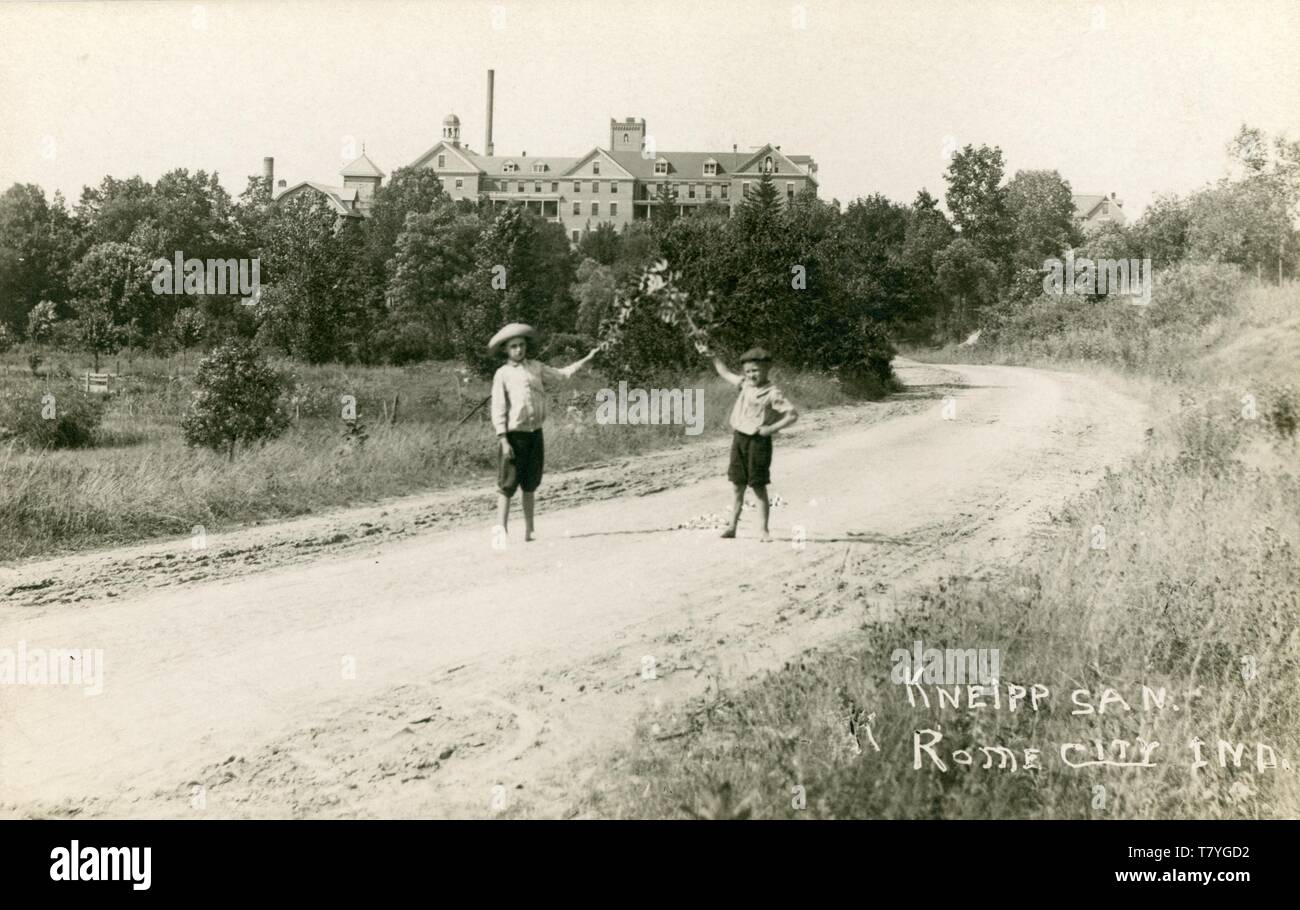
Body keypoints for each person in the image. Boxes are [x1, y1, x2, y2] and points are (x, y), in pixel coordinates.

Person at [489, 323, 598, 541]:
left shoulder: (536, 368)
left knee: (530, 483)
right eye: (513, 347)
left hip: (534, 433)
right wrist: (503, 440)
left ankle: (530, 530)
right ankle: (502, 530)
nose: (519, 350)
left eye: (521, 345)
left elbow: (561, 375)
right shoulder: (503, 374)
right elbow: (498, 408)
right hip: (514, 436)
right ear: (505, 350)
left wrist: (587, 359)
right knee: (507, 485)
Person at [712, 347, 799, 541]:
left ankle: (763, 531)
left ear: (767, 369)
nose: (751, 374)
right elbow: (723, 372)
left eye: (756, 370)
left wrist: (770, 429)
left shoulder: (772, 393)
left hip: (758, 442)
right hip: (740, 438)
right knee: (737, 485)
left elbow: (792, 415)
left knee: (758, 486)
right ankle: (732, 527)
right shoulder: (744, 385)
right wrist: (711, 354)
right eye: (748, 371)